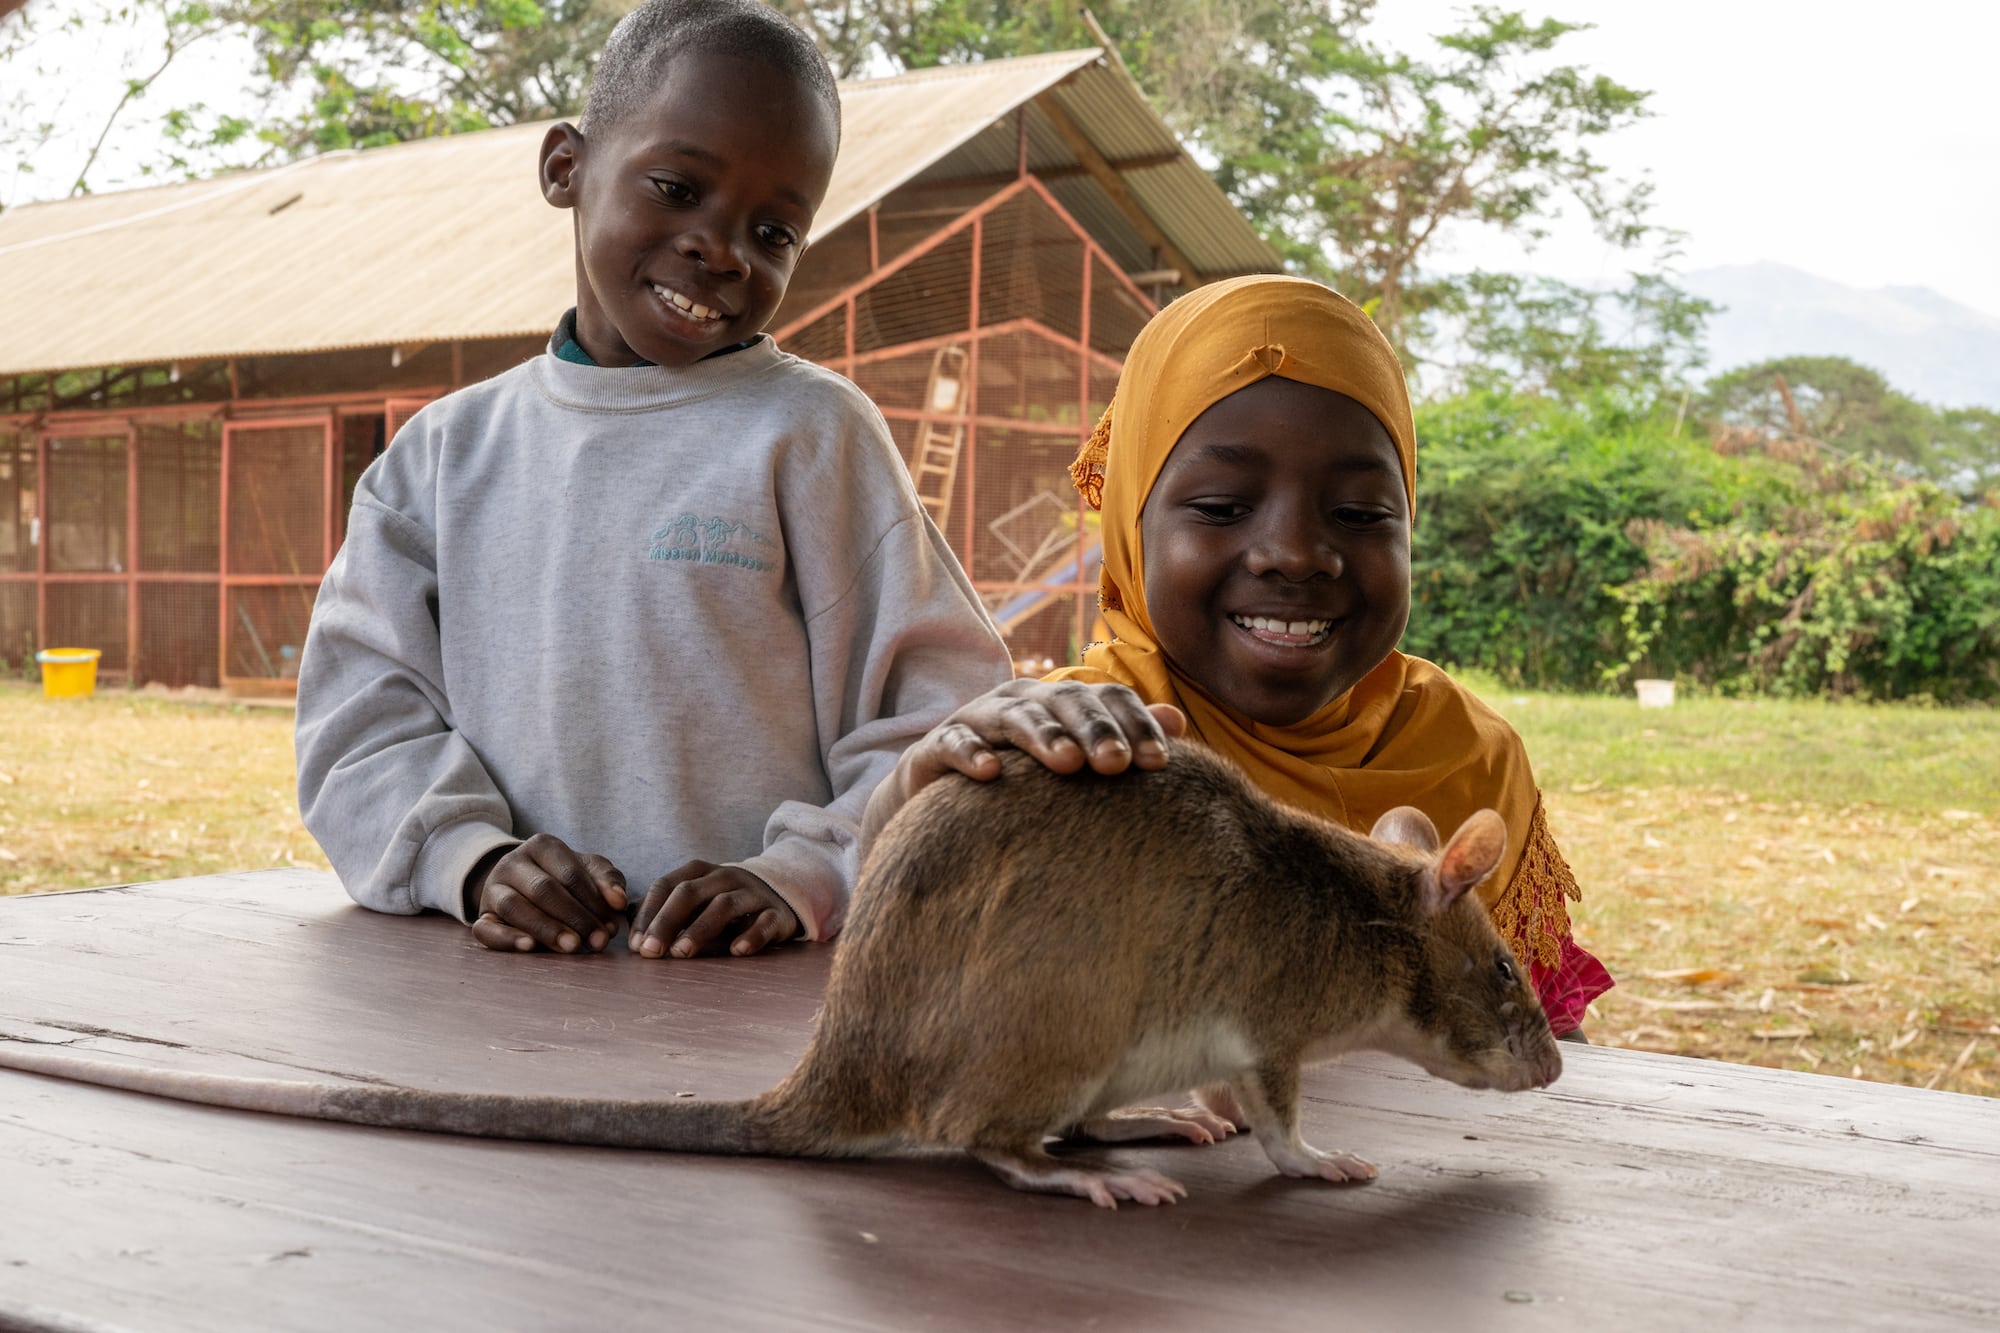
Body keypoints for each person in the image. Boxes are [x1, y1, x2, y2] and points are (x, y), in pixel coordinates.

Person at [296, 0, 1011, 962]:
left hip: (762, 995)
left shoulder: (814, 435)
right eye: (677, 188)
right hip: (498, 990)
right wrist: (472, 860)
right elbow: (359, 722)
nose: (722, 248)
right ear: (566, 168)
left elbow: (943, 714)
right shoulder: (441, 457)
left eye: (774, 232)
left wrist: (800, 873)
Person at [864, 274, 1612, 1037]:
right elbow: (917, 984)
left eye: (1359, 513)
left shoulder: (1469, 756)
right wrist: (910, 796)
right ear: (1131, 522)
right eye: (1223, 507)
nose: (1295, 553)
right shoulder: (1079, 746)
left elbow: (1539, 1037)